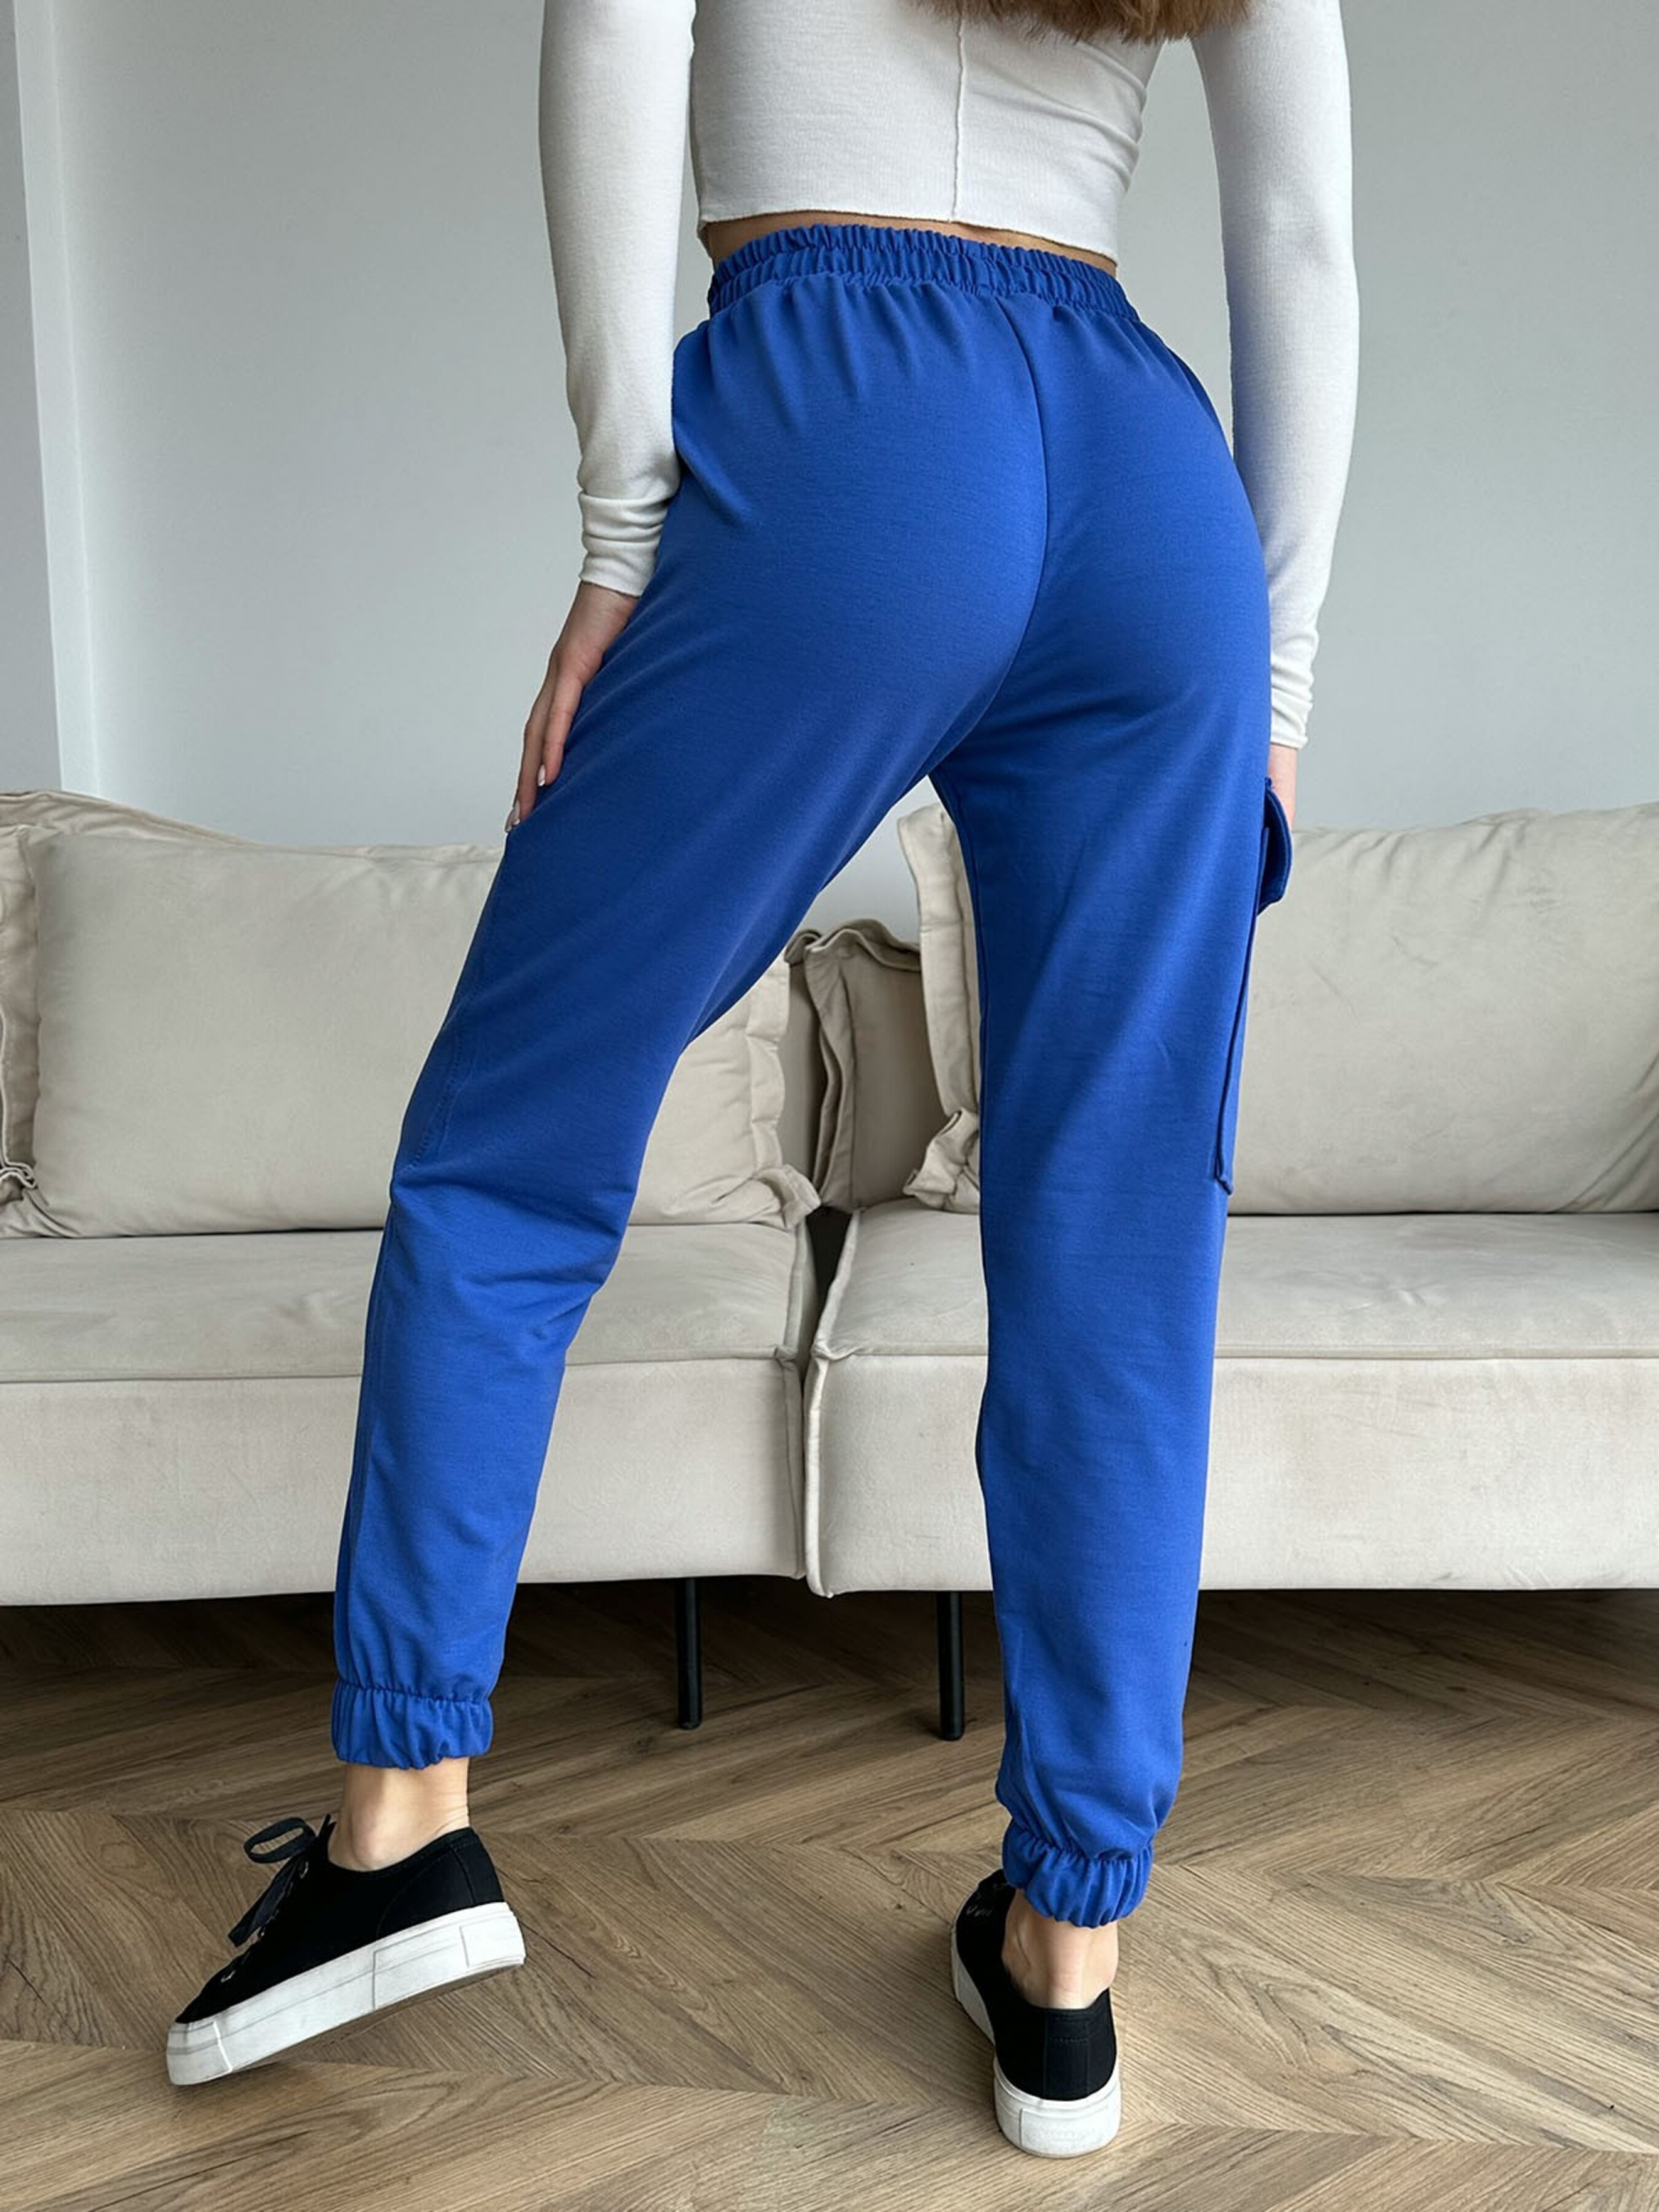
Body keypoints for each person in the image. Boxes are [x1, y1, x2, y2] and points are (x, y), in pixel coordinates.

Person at [167, 0, 1358, 2159]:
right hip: (1147, 485)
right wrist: (1272, 672)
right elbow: (1299, 234)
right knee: (1116, 1243)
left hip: (844, 423)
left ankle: (399, 1822)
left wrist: (623, 534)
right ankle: (1066, 1959)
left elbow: (614, 45)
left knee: (509, 1150)